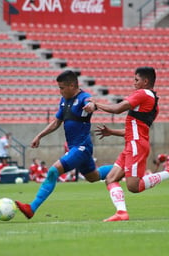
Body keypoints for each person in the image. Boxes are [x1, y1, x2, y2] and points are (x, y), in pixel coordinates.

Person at [83, 66, 169, 222]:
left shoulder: (142, 94)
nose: (133, 83)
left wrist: (97, 104)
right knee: (111, 179)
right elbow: (135, 129)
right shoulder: (154, 103)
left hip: (136, 145)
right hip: (133, 143)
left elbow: (118, 109)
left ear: (145, 81)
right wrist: (112, 132)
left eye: (136, 80)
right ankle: (121, 213)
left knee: (133, 186)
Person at [15, 70, 113, 219]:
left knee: (53, 171)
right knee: (93, 176)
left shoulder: (83, 98)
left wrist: (92, 106)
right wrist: (39, 135)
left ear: (72, 85)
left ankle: (31, 208)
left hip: (82, 147)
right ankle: (125, 167)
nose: (60, 91)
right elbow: (56, 122)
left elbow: (91, 103)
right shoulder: (64, 101)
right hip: (76, 147)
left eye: (62, 88)